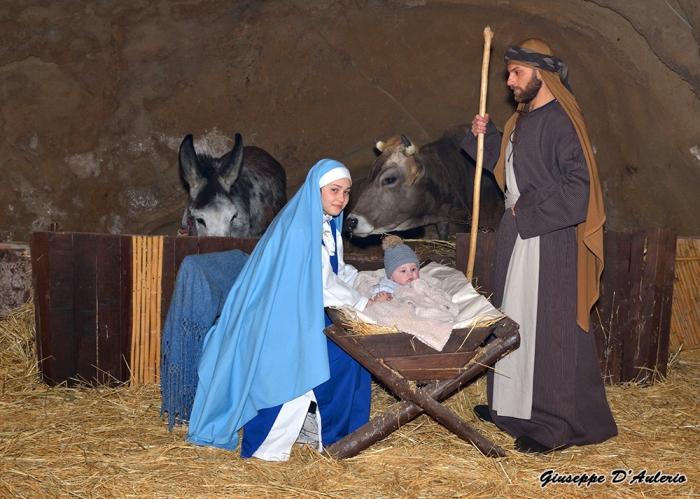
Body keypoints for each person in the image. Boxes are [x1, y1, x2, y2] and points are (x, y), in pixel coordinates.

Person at [461, 38, 617, 454]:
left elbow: (579, 189)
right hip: (520, 235)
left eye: (517, 73)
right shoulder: (524, 117)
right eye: (509, 72)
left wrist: (527, 211)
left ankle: (556, 426)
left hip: (550, 241)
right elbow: (514, 168)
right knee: (514, 323)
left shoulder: (562, 121)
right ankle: (509, 410)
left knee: (548, 331)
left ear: (541, 75)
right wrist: (487, 137)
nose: (509, 81)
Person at [186, 159, 386, 461]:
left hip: (301, 310)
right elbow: (320, 284)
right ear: (315, 190)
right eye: (334, 190)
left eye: (346, 192)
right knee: (342, 358)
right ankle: (297, 443)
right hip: (277, 320)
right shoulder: (300, 229)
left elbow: (336, 271)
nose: (341, 199)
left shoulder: (326, 224)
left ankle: (337, 438)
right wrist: (363, 304)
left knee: (353, 354)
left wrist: (363, 285)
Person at [370, 235, 421, 300]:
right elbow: (376, 294)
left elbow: (432, 291)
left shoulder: (421, 283)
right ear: (391, 276)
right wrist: (380, 296)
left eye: (413, 269)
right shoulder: (387, 285)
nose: (410, 273)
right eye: (403, 271)